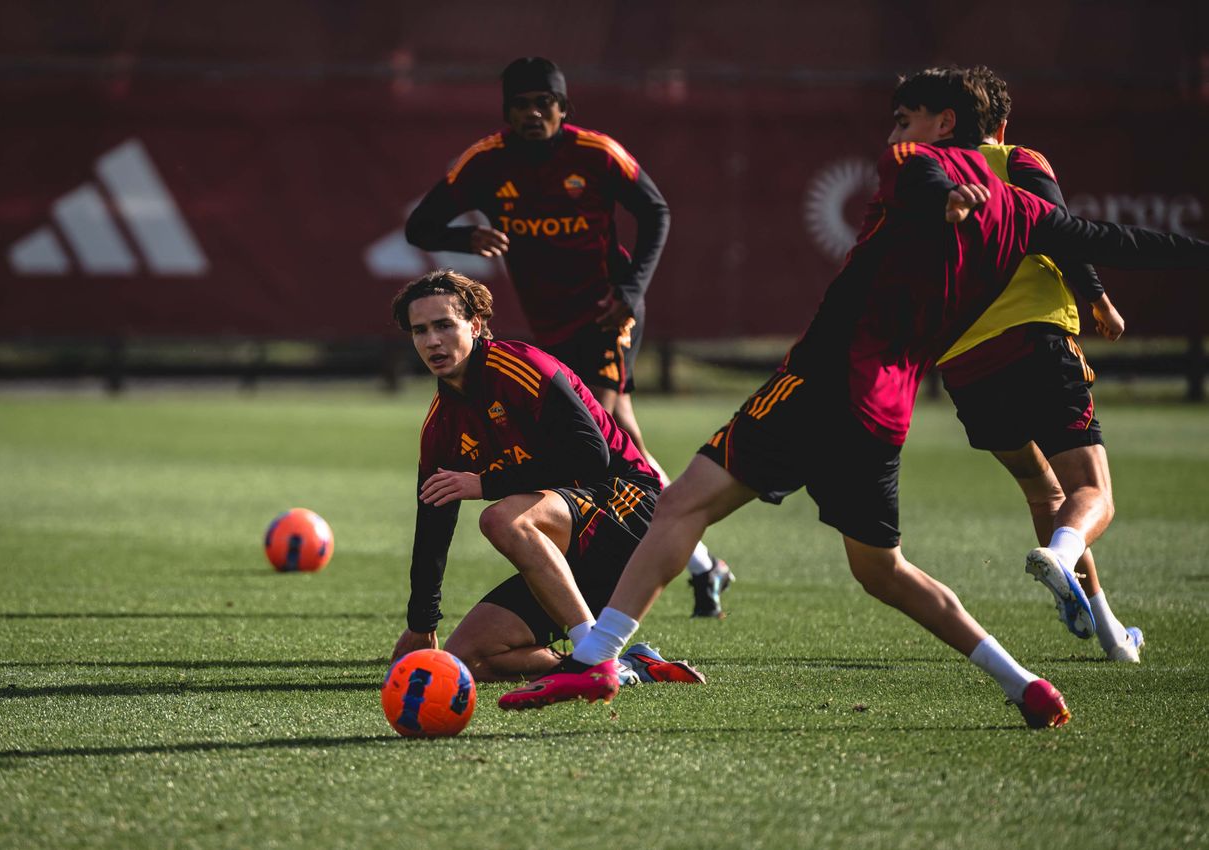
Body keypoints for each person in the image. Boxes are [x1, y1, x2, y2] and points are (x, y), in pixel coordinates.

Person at [497, 67, 1209, 725]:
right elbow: (1119, 240)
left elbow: (925, 187)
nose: (892, 131)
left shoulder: (912, 163)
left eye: (905, 116)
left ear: (942, 121)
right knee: (882, 571)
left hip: (821, 380)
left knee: (683, 502)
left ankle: (596, 661)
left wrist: (949, 196)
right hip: (886, 408)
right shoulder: (1023, 210)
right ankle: (1023, 683)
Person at [405, 56, 734, 618]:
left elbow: (655, 211)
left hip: (607, 313)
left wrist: (630, 290)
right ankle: (702, 562)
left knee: (607, 430)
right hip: (548, 328)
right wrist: (468, 238)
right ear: (506, 113)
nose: (533, 114)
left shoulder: (596, 155)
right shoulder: (487, 162)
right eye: (521, 106)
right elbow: (421, 227)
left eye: (544, 104)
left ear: (563, 108)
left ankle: (675, 555)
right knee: (617, 434)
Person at [389, 269, 705, 686]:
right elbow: (432, 520)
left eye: (444, 325)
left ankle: (594, 652)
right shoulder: (441, 425)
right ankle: (630, 667)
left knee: (502, 518)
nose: (432, 341)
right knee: (467, 658)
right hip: (571, 548)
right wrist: (421, 624)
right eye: (420, 330)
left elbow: (592, 455)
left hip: (629, 510)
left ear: (476, 325)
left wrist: (487, 484)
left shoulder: (521, 366)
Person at [935, 66, 1141, 661]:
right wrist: (1098, 298)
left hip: (966, 363)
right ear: (1000, 124)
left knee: (1043, 491)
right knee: (1091, 491)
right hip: (1036, 339)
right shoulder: (1018, 161)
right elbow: (1063, 233)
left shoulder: (926, 181)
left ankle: (1109, 634)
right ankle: (1063, 556)